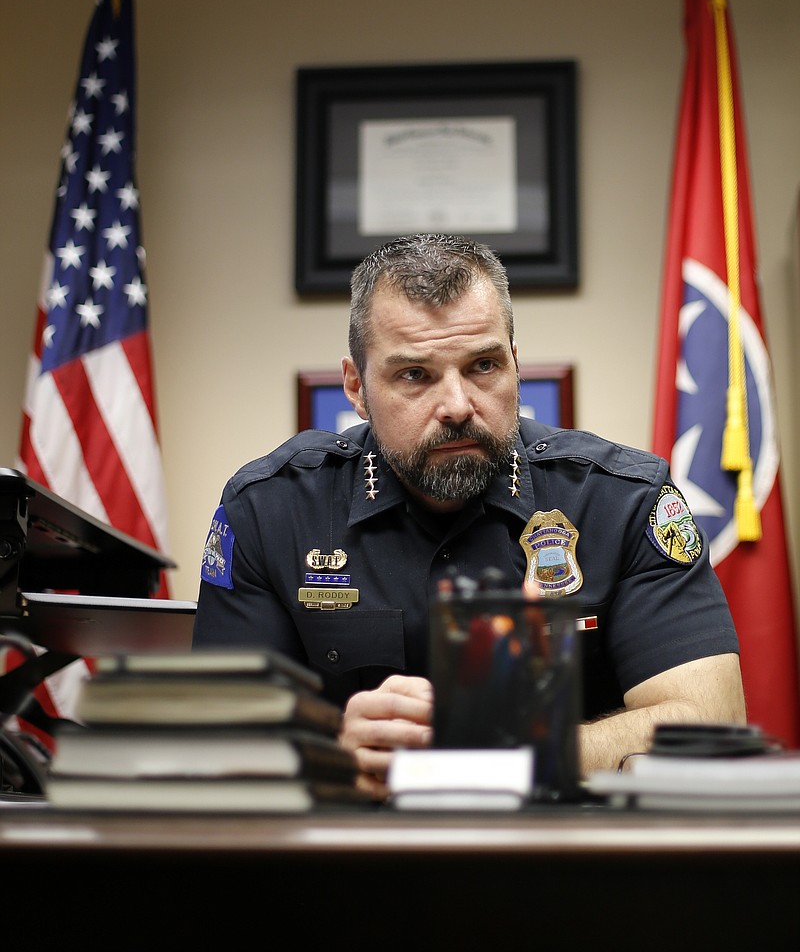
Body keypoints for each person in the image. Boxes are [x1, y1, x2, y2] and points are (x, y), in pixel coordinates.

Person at [193, 233, 746, 798]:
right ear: (356, 387)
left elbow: (710, 720)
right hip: (348, 867)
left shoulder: (621, 502)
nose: (457, 405)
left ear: (514, 363)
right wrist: (329, 756)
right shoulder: (270, 510)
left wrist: (516, 747)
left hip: (571, 867)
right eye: (414, 374)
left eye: (483, 365)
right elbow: (213, 743)